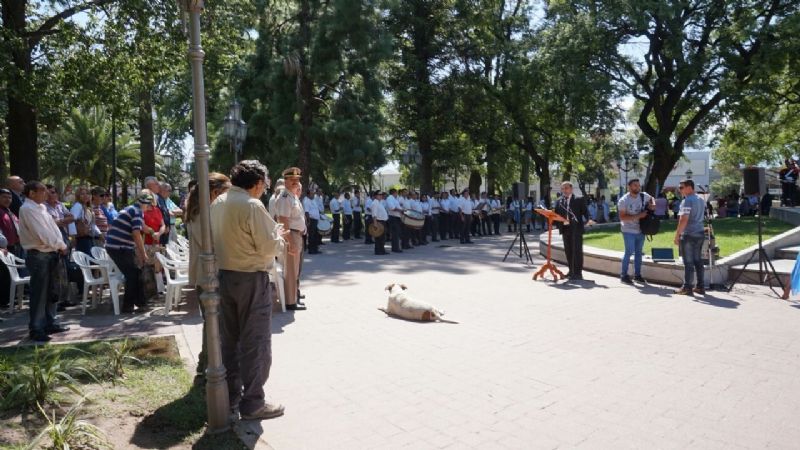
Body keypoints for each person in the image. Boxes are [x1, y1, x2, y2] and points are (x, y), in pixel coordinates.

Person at [210, 160, 287, 421]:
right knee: (255, 341)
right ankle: (253, 403)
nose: (265, 190)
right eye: (265, 185)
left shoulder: (218, 203)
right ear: (256, 184)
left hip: (224, 277)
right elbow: (268, 248)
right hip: (251, 279)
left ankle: (231, 397)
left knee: (229, 341)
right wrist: (278, 237)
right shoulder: (252, 205)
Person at [185, 172, 231, 376]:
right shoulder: (203, 214)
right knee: (212, 324)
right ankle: (206, 366)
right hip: (208, 275)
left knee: (212, 323)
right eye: (225, 193)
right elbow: (211, 243)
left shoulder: (203, 211)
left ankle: (207, 365)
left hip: (205, 274)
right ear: (215, 192)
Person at [18, 180, 70, 342]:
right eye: (42, 191)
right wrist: (60, 245)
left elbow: (53, 228)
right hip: (39, 254)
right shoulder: (27, 209)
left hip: (51, 252)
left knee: (51, 291)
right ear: (31, 193)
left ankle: (50, 322)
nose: (46, 194)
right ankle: (36, 328)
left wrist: (61, 244)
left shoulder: (40, 208)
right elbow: (42, 233)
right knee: (40, 293)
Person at [106, 192, 155, 313]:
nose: (150, 208)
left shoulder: (132, 209)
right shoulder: (137, 212)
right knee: (132, 274)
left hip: (117, 246)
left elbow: (143, 227)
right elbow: (136, 233)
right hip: (119, 247)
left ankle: (140, 303)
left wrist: (152, 232)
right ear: (145, 204)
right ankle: (128, 306)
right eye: (149, 206)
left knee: (135, 272)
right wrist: (143, 254)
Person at [275, 167, 308, 311]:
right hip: (291, 235)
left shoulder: (292, 196)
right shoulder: (285, 198)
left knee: (295, 270)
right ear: (286, 181)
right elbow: (283, 221)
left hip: (297, 234)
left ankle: (293, 298)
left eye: (297, 180)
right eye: (292, 180)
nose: (295, 182)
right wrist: (290, 241)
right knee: (291, 270)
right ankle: (290, 302)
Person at [554, 181, 593, 281]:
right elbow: (556, 214)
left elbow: (585, 212)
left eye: (566, 188)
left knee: (577, 251)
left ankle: (578, 273)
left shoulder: (578, 199)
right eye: (562, 189)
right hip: (565, 228)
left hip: (576, 228)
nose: (564, 191)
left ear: (571, 189)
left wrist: (589, 219)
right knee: (568, 251)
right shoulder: (559, 201)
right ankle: (571, 271)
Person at [618, 179, 655, 284]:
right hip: (628, 230)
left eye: (639, 186)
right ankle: (624, 275)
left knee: (639, 253)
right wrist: (639, 215)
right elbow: (622, 217)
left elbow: (652, 198)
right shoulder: (623, 200)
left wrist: (653, 204)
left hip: (641, 230)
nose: (638, 187)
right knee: (629, 252)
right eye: (635, 185)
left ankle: (637, 275)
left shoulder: (643, 195)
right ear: (629, 187)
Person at [674, 179, 706, 295]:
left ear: (689, 187)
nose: (680, 189)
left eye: (681, 187)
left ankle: (687, 287)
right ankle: (700, 287)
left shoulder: (687, 201)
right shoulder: (700, 199)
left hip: (689, 234)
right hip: (700, 232)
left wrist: (677, 235)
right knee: (698, 260)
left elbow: (683, 219)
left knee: (688, 262)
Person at [68, 187, 101, 255]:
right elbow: (71, 220)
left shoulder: (87, 207)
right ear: (78, 196)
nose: (86, 196)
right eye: (82, 194)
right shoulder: (78, 206)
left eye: (87, 194)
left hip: (89, 237)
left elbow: (92, 224)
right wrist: (73, 237)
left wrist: (99, 234)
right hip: (82, 238)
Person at [145, 177, 171, 245]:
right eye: (156, 184)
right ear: (150, 186)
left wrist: (165, 225)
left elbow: (162, 213)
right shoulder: (146, 198)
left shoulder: (159, 198)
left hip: (160, 233)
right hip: (151, 237)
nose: (159, 185)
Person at [0, 189, 22, 257]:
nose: (8, 200)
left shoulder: (9, 212)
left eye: (10, 198)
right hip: (4, 249)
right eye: (4, 197)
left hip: (16, 247)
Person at [303, 189, 321, 254]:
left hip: (315, 219)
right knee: (312, 235)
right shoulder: (306, 201)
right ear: (308, 194)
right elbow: (306, 212)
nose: (313, 195)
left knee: (315, 235)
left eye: (313, 194)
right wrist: (308, 221)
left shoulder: (313, 200)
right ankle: (311, 250)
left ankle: (315, 248)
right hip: (311, 220)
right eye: (312, 194)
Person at [386, 188, 403, 253]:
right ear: (394, 193)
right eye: (396, 193)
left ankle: (396, 247)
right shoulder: (389, 198)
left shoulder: (394, 199)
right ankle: (395, 248)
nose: (397, 194)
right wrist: (400, 210)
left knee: (396, 233)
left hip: (396, 217)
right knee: (395, 234)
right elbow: (392, 208)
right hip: (393, 217)